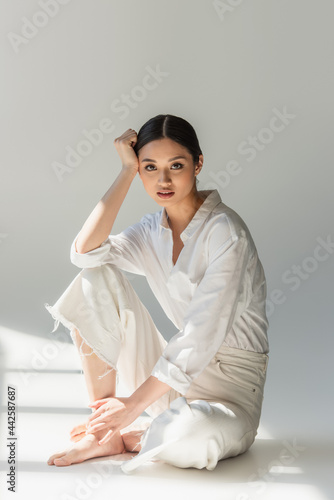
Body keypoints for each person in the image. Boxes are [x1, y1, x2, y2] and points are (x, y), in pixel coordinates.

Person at [45, 114, 269, 472]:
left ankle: (145, 426)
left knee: (195, 438)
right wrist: (125, 172)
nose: (162, 180)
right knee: (95, 278)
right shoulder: (152, 230)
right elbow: (84, 254)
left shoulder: (227, 233)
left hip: (231, 396)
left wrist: (132, 404)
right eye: (150, 167)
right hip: (170, 381)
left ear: (198, 164)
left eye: (175, 165)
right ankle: (105, 433)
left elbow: (200, 335)